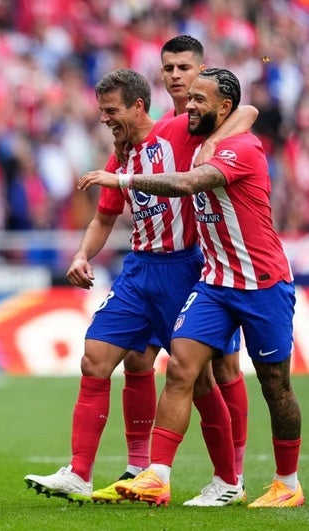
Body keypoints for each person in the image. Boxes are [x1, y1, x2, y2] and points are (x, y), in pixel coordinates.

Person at [23, 67, 256, 506]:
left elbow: (244, 111)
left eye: (112, 111)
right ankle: (79, 473)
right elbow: (103, 219)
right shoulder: (121, 159)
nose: (106, 119)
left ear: (137, 106)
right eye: (101, 112)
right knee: (95, 358)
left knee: (198, 379)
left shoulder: (175, 131)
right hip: (138, 270)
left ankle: (229, 479)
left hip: (183, 270)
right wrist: (80, 256)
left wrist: (210, 141)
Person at [79, 67, 303, 508]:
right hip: (214, 283)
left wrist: (120, 180)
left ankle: (287, 483)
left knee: (276, 385)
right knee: (182, 368)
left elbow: (187, 184)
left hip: (261, 284)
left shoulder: (242, 149)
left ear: (224, 108)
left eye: (200, 100)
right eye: (189, 99)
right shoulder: (199, 142)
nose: (189, 106)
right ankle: (158, 476)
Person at [91, 35, 250, 506]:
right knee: (143, 360)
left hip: (210, 264)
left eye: (185, 67)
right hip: (157, 266)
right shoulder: (159, 132)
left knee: (220, 368)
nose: (176, 76)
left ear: (203, 72)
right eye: (169, 68)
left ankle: (232, 474)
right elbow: (110, 205)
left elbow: (249, 113)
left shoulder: (215, 124)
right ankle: (140, 466)